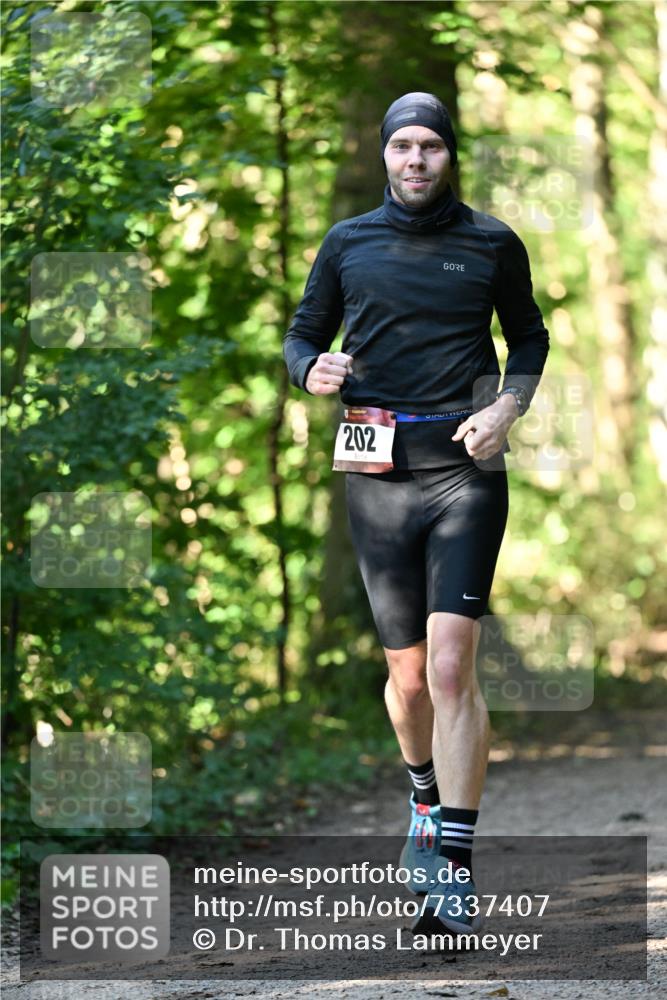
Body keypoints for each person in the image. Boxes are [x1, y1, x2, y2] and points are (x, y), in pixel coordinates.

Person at [283, 92, 549, 935]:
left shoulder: (491, 242)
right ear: (384, 155)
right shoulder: (347, 242)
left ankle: (455, 870)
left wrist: (506, 406)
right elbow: (301, 333)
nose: (415, 160)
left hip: (467, 469)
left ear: (448, 155)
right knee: (406, 680)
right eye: (402, 146)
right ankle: (423, 798)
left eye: (430, 146)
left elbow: (530, 338)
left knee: (449, 668)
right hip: (377, 473)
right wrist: (309, 370)